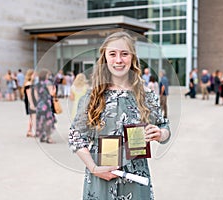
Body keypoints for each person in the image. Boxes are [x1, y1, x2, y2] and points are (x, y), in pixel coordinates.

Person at [68, 32, 170, 199]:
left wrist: (160, 133)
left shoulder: (146, 95)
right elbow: (76, 138)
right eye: (112, 54)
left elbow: (164, 126)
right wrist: (93, 168)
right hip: (100, 179)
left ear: (132, 58)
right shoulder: (92, 96)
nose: (118, 60)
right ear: (105, 58)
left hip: (136, 181)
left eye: (124, 54)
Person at [35, 69, 56, 144]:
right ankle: (48, 137)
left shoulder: (37, 84)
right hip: (47, 104)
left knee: (41, 120)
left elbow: (36, 96)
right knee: (48, 121)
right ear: (45, 75)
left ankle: (42, 136)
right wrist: (54, 89)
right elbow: (52, 93)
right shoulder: (48, 83)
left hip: (39, 104)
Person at [23, 69, 36, 137]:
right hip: (30, 102)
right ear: (30, 75)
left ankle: (29, 131)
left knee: (31, 117)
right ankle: (33, 131)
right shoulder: (28, 84)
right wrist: (32, 104)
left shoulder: (30, 83)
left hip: (31, 102)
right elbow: (29, 95)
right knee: (33, 116)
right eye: (34, 75)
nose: (35, 76)